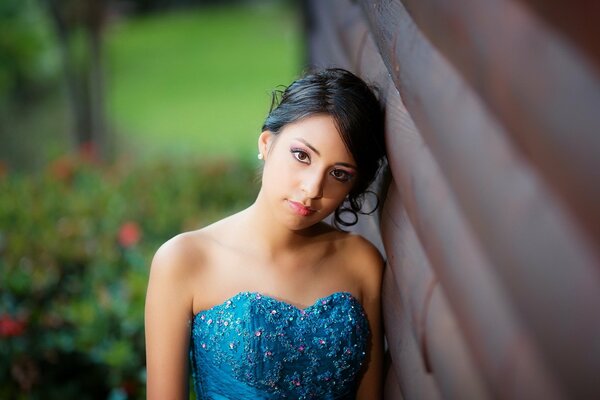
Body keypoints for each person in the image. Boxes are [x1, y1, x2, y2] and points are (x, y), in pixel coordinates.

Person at [145, 68, 386, 399]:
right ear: (266, 143)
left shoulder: (361, 263)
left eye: (339, 174)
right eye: (302, 156)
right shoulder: (184, 260)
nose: (312, 188)